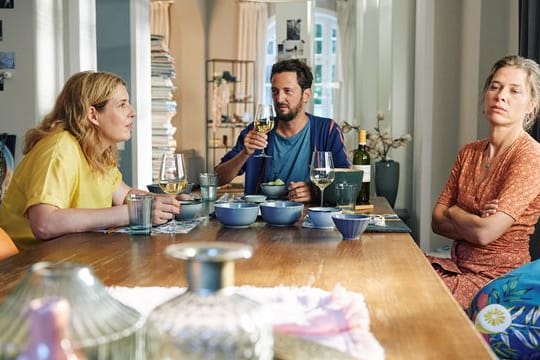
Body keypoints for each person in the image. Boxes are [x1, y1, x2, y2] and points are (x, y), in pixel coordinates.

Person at [0, 71, 186, 250]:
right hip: (24, 266)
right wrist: (132, 213)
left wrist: (169, 202)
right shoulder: (60, 148)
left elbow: (125, 195)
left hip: (68, 256)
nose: (132, 112)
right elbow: (44, 224)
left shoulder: (97, 150)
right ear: (93, 115)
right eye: (122, 105)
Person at [429, 55, 540, 310]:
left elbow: (484, 233)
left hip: (499, 283)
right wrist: (474, 218)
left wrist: (455, 211)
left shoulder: (530, 156)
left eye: (515, 91)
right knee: (396, 273)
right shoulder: (469, 152)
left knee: (411, 294)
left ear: (531, 105)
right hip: (456, 267)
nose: (501, 96)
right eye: (495, 86)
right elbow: (436, 221)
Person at [215, 59, 350, 202]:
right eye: (275, 91)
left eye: (288, 91)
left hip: (309, 218)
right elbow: (217, 179)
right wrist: (245, 154)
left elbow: (347, 183)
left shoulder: (327, 131)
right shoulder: (256, 130)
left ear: (306, 95)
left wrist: (315, 192)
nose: (279, 99)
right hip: (261, 219)